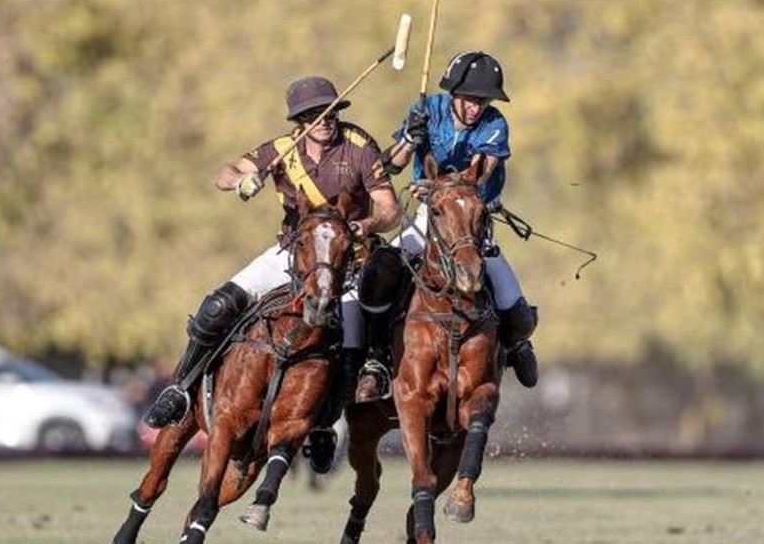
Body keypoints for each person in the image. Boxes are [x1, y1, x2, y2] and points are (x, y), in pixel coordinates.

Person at [143, 75, 402, 469]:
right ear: (299, 120)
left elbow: (390, 210)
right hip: (292, 253)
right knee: (217, 306)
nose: (325, 120)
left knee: (349, 351)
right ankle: (180, 389)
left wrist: (366, 226)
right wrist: (242, 181)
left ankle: (321, 426)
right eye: (314, 115)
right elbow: (223, 173)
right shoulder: (282, 150)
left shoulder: (359, 147)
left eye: (330, 112)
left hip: (347, 259)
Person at [355, 50, 539, 403]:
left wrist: (446, 186)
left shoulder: (495, 123)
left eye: (482, 101)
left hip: (471, 220)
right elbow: (390, 166)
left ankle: (516, 344)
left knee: (512, 302)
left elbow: (481, 170)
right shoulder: (427, 109)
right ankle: (376, 360)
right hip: (430, 216)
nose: (476, 108)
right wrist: (409, 140)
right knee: (380, 270)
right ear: (454, 93)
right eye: (470, 100)